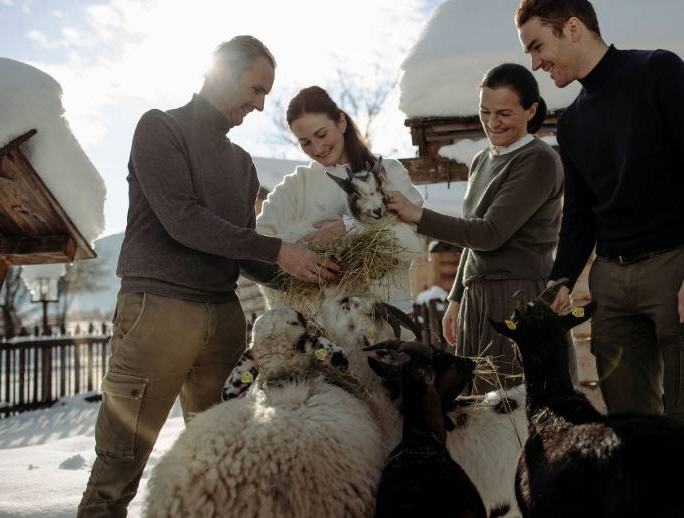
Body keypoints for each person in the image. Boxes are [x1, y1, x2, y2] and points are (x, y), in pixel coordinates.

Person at [77, 36, 338, 517]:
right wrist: (279, 249)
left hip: (223, 318)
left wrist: (310, 272)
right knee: (119, 466)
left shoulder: (240, 163)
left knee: (221, 465)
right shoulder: (159, 128)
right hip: (159, 312)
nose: (260, 106)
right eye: (256, 90)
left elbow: (241, 247)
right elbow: (184, 219)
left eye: (265, 95)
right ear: (223, 71)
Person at [515, 0, 684, 483]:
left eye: (537, 45)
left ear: (572, 28)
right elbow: (580, 217)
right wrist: (561, 280)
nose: (535, 62)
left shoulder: (658, 70)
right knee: (631, 436)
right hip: (611, 287)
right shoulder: (571, 124)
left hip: (678, 272)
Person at [387, 63, 564, 392]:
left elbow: (489, 233)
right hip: (478, 295)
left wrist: (417, 215)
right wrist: (457, 297)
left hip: (517, 295)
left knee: (509, 403)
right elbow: (473, 237)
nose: (493, 123)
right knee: (476, 400)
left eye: (504, 113)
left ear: (532, 110)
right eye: (485, 111)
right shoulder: (483, 160)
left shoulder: (537, 160)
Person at [255, 85, 424, 312]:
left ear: (341, 122)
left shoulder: (387, 173)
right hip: (322, 329)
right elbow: (258, 248)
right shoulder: (297, 185)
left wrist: (348, 227)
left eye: (321, 134)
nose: (317, 148)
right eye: (305, 142)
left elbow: (413, 245)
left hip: (384, 317)